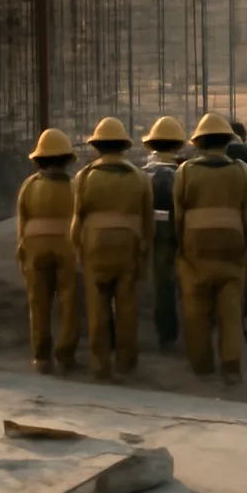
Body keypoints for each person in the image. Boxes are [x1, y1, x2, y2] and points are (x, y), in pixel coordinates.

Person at [174, 112, 247, 384]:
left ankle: (201, 364)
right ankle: (231, 367)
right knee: (230, 311)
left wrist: (182, 248)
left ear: (198, 143)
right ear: (227, 141)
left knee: (195, 309)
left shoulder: (185, 172)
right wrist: (246, 249)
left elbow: (178, 216)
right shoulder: (242, 171)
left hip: (195, 247)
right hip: (231, 247)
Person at [71, 116, 154, 380]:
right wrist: (143, 252)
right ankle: (127, 362)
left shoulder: (84, 177)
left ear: (97, 146)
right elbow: (147, 221)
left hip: (95, 246)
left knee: (97, 308)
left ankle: (100, 364)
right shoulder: (140, 178)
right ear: (123, 146)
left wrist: (80, 250)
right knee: (127, 306)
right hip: (127, 247)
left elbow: (77, 221)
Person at [16, 128, 79, 375]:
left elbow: (22, 221)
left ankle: (41, 357)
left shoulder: (29, 186)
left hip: (34, 248)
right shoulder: (75, 187)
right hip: (66, 248)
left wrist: (21, 253)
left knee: (38, 303)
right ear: (66, 159)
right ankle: (65, 355)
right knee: (67, 301)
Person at [141, 116, 186, 348]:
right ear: (178, 145)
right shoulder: (184, 172)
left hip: (150, 235)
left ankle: (162, 333)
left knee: (161, 284)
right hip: (181, 235)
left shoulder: (141, 174)